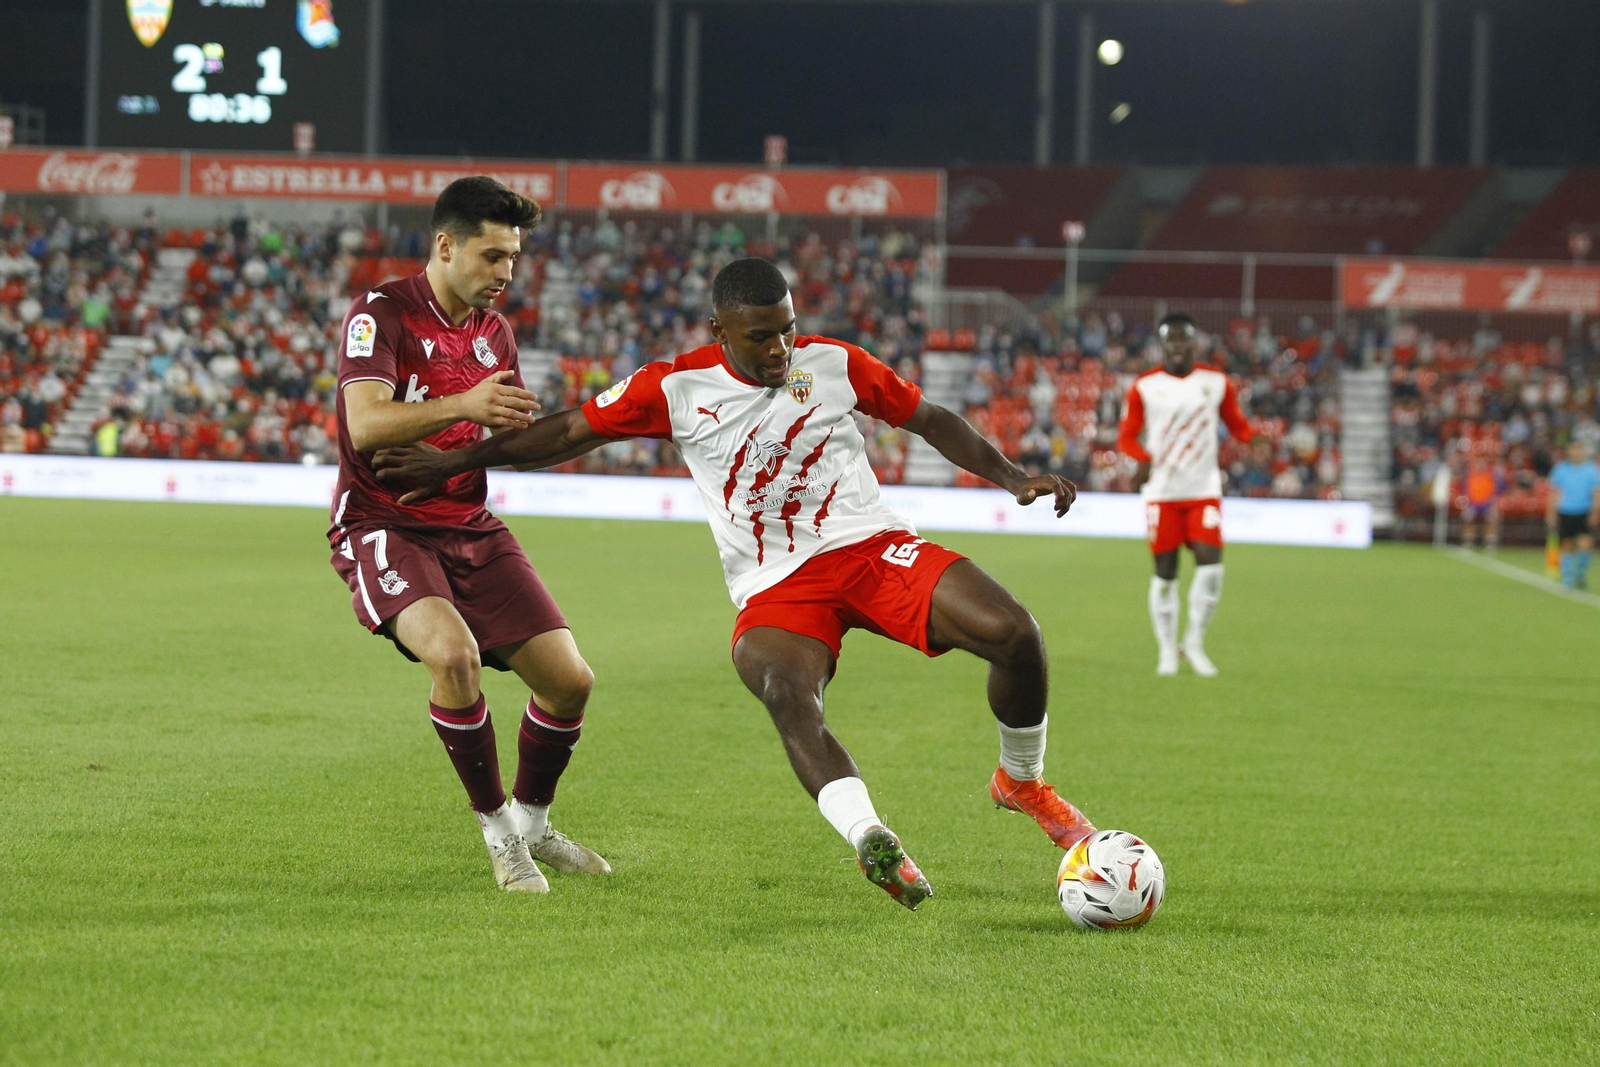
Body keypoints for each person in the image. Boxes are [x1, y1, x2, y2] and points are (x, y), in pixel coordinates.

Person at [373, 257, 1093, 911]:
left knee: (1015, 634)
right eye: (760, 336)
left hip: (872, 547)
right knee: (785, 689)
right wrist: (451, 462)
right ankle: (870, 836)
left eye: (788, 330)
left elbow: (929, 417)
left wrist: (1012, 477)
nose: (780, 348)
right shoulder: (675, 387)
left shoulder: (836, 363)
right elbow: (564, 434)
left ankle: (1021, 781)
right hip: (776, 584)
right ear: (720, 331)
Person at [328, 176, 609, 894]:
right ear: (446, 246)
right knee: (454, 658)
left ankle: (535, 824)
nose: (506, 271)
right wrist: (465, 404)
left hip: (471, 523)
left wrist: (481, 443)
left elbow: (500, 433)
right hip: (384, 522)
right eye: (492, 255)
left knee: (570, 681)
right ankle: (501, 836)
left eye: (512, 256)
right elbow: (365, 424)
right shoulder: (380, 313)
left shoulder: (495, 332)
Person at [1117, 313, 1254, 677]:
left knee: (1211, 567)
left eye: (1183, 339)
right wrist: (1142, 460)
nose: (1178, 345)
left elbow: (1238, 425)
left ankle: (1193, 643)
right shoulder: (1145, 386)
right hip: (1162, 492)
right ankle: (1166, 650)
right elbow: (1126, 436)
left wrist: (1255, 440)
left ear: (1194, 343)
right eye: (1171, 339)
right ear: (1162, 345)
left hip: (1203, 489)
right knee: (1166, 573)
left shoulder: (1216, 382)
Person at [1546, 441, 1600, 590]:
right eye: (1573, 449)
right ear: (1568, 451)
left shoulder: (1591, 470)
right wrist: (1551, 512)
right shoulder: (1561, 469)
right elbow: (1554, 492)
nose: (1576, 452)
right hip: (1566, 511)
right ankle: (1568, 577)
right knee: (1567, 545)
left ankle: (1580, 574)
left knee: (1586, 545)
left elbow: (1596, 492)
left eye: (1579, 449)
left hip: (1584, 511)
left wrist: (1596, 511)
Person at [1459, 453, 1504, 551]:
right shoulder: (1470, 476)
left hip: (1488, 504)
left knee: (1492, 518)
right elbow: (1465, 492)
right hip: (1473, 504)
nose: (1480, 465)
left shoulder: (1492, 476)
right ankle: (1468, 542)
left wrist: (1493, 505)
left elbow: (1497, 492)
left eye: (1483, 463)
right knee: (1468, 518)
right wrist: (1467, 504)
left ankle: (1490, 543)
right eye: (1479, 463)